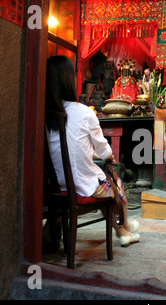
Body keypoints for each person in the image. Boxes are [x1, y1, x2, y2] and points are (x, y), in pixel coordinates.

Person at [45, 55, 140, 247]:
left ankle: (49, 232)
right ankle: (122, 229)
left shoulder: (42, 113)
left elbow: (68, 150)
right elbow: (104, 150)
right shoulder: (84, 112)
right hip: (81, 186)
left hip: (53, 186)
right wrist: (108, 156)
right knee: (114, 180)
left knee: (104, 178)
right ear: (69, 81)